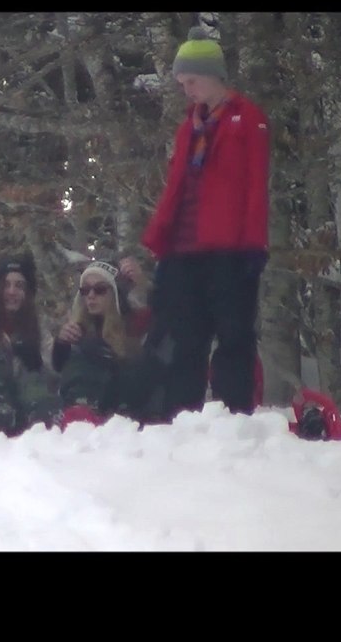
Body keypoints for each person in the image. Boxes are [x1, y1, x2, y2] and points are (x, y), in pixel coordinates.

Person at [141, 26, 270, 419]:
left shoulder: (247, 119)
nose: (186, 89)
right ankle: (183, 416)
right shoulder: (188, 127)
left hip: (228, 247)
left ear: (214, 76)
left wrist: (253, 243)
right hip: (184, 247)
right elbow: (176, 186)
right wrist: (160, 241)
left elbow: (255, 186)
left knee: (233, 335)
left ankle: (235, 415)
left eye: (191, 81)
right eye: (182, 82)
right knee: (186, 338)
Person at [52, 258, 167, 423]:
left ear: (115, 293)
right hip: (88, 405)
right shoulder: (79, 328)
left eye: (99, 290)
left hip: (127, 403)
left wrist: (143, 285)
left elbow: (165, 314)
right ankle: (81, 408)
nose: (91, 296)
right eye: (85, 290)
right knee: (80, 354)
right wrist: (61, 342)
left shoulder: (134, 322)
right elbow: (59, 365)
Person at [0, 254, 61, 434]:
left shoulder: (39, 327)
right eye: (6, 285)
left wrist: (36, 361)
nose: (12, 291)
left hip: (25, 403)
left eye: (19, 286)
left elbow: (55, 371)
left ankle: (42, 421)